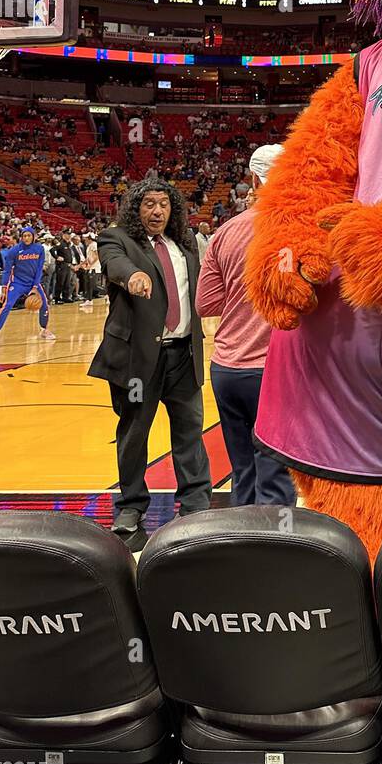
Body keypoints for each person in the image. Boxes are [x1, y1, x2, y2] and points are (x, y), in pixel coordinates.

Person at [88, 178, 212, 537]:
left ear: (172, 209)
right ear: (136, 208)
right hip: (140, 361)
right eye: (149, 204)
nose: (157, 211)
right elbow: (114, 264)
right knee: (134, 433)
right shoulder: (117, 239)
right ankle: (131, 505)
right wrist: (134, 276)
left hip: (183, 355)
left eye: (163, 204)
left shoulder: (185, 244)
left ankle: (195, 503)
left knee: (190, 432)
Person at [195, 145, 296, 506]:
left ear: (253, 180)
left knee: (243, 471)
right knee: (276, 472)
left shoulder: (224, 233)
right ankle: (274, 553)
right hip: (273, 372)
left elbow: (205, 303)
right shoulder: (298, 232)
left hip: (226, 370)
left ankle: (241, 545)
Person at [0, 227, 54, 346]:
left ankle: (44, 329)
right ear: (21, 237)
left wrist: (35, 285)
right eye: (24, 236)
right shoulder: (14, 251)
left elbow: (39, 269)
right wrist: (3, 288)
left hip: (33, 283)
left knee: (44, 304)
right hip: (17, 283)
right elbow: (7, 271)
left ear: (33, 236)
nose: (27, 238)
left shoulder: (39, 249)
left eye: (29, 235)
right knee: (7, 305)